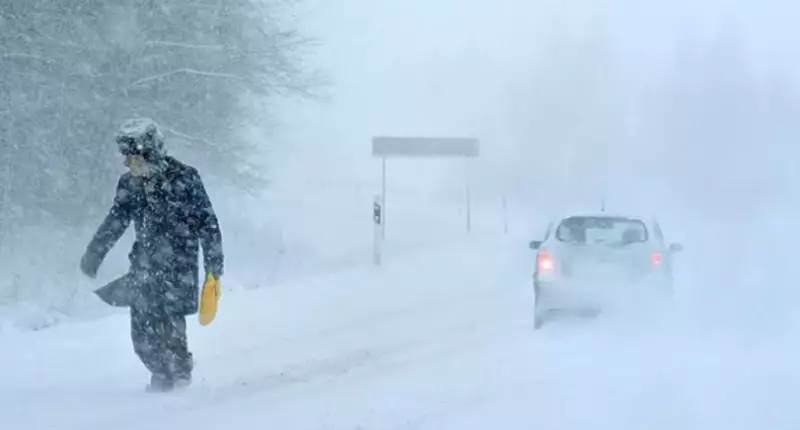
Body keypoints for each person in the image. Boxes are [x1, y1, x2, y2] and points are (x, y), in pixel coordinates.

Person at [79, 117, 224, 392]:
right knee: (141, 336)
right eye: (127, 159)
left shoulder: (185, 178)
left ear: (152, 153)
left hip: (178, 267)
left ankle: (178, 379)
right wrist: (95, 253)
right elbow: (116, 220)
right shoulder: (129, 184)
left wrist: (213, 268)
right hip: (144, 267)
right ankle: (161, 373)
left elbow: (208, 224)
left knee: (170, 328)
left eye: (134, 158)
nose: (128, 164)